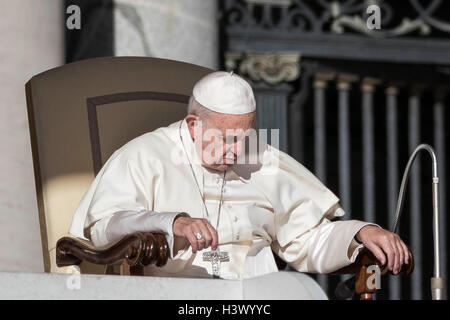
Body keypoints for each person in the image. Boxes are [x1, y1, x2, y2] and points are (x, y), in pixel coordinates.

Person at [69, 71, 409, 280]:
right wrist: (171, 222)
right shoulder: (144, 155)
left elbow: (304, 241)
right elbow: (104, 226)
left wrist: (360, 233)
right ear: (193, 124)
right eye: (225, 139)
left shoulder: (260, 157)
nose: (236, 151)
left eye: (243, 138)